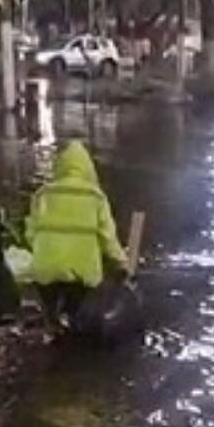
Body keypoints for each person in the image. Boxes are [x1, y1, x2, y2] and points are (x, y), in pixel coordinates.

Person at [24, 140, 129, 329]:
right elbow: (108, 238)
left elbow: (30, 234)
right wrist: (121, 262)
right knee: (77, 310)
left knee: (49, 301)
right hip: (82, 271)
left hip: (46, 267)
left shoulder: (42, 194)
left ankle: (51, 325)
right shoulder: (95, 197)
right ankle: (73, 331)